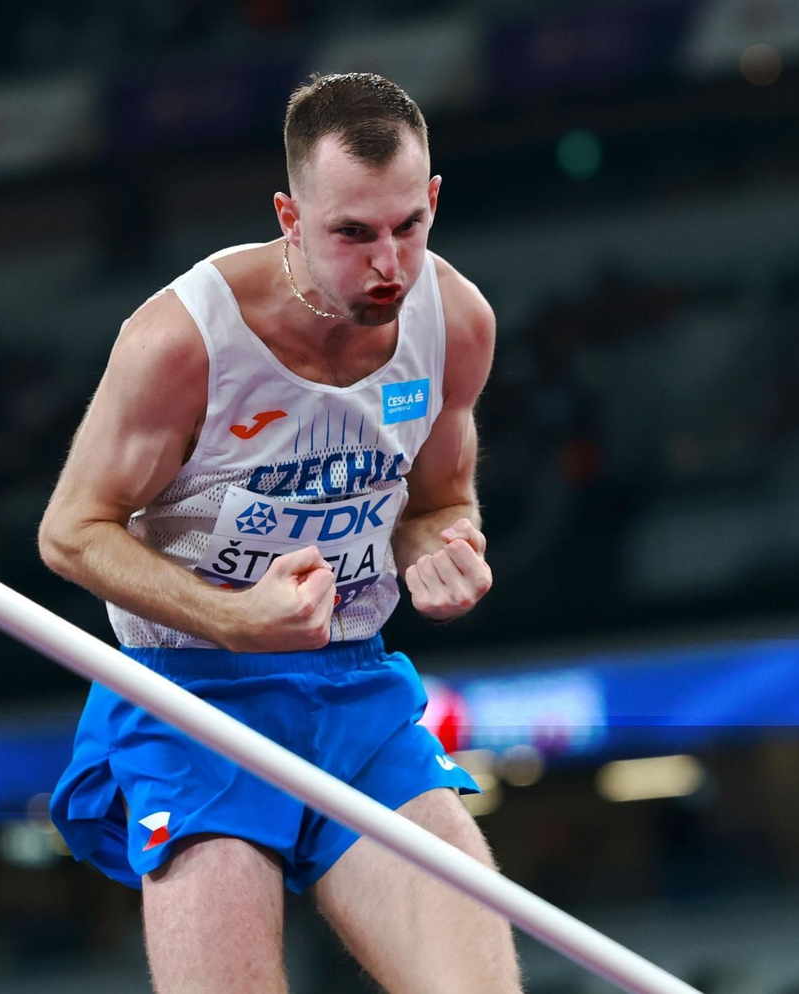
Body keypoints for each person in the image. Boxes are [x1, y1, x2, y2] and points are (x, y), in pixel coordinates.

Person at [38, 73, 521, 993]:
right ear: (290, 216)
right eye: (352, 234)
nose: (389, 266)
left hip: (353, 690)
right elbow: (71, 533)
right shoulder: (182, 341)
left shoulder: (455, 323)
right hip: (192, 699)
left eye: (407, 228)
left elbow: (439, 501)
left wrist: (443, 549)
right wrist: (232, 620)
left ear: (432, 201)